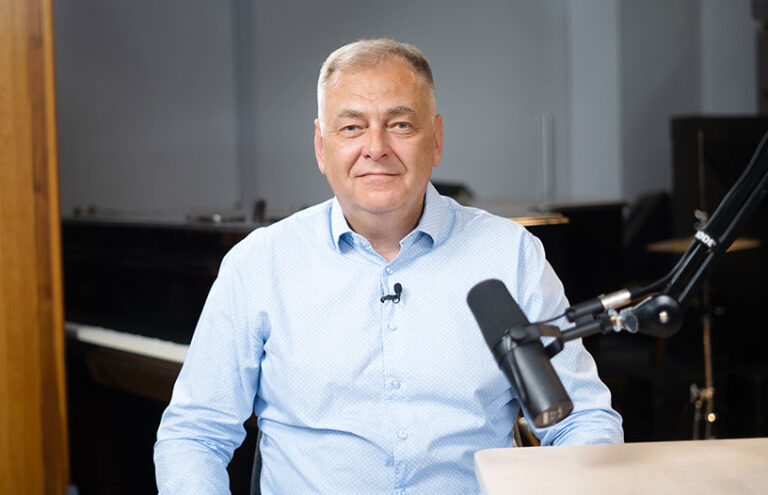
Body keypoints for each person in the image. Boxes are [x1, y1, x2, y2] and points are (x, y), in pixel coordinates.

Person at [154, 38, 623, 494]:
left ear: (435, 141)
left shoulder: (511, 255)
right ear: (321, 146)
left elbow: (581, 419)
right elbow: (195, 435)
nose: (376, 147)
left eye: (399, 124)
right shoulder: (260, 264)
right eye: (352, 127)